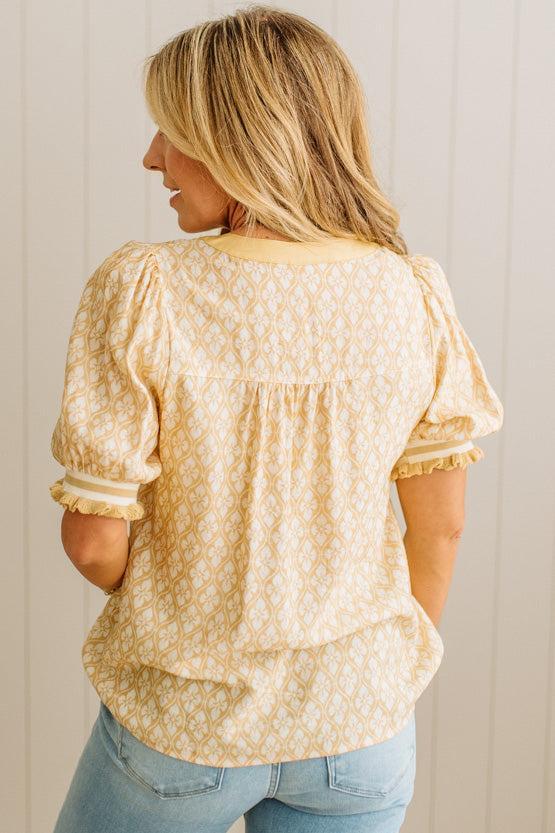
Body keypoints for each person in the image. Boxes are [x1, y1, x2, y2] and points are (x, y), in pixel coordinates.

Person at [49, 5, 504, 832]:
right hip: (361, 728)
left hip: (186, 726)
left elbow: (93, 543)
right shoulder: (413, 293)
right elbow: (438, 532)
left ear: (238, 140)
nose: (151, 157)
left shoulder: (145, 288)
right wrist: (380, 682)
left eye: (171, 131)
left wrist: (178, 601)